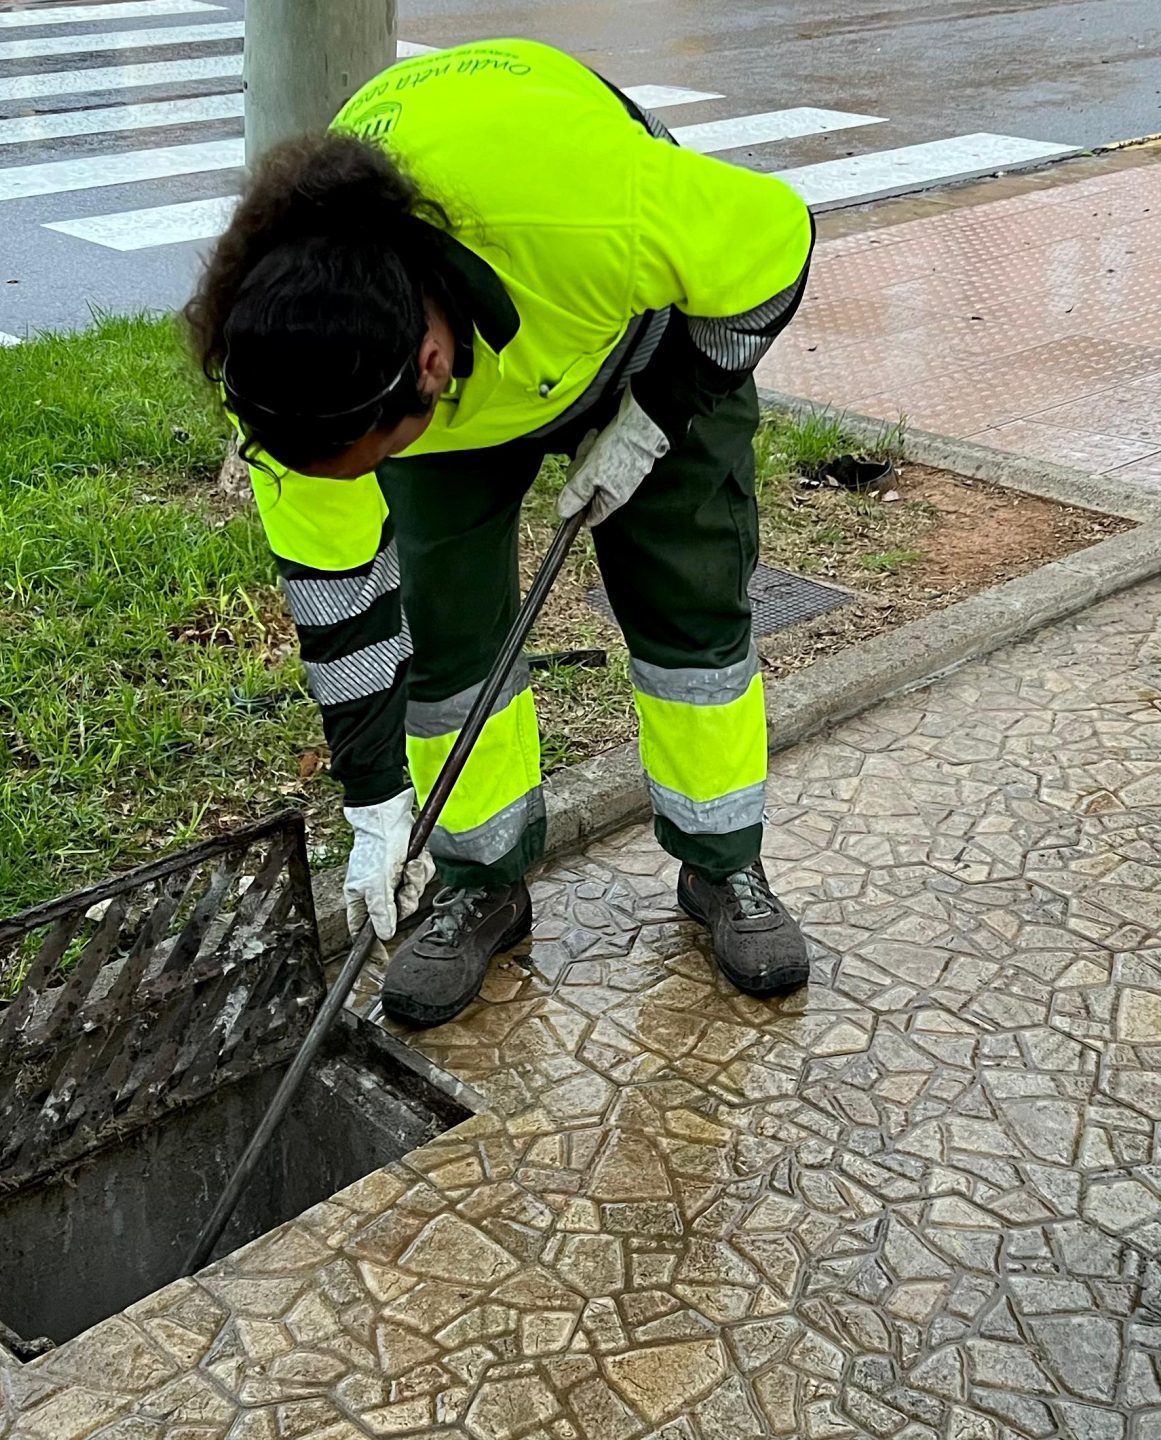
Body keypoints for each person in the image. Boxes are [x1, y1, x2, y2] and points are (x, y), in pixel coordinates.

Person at [185, 37, 816, 1028]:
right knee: (447, 637)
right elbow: (343, 607)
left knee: (687, 604)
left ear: (430, 362)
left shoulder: (594, 207)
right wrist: (374, 806)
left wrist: (657, 413)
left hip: (637, 332)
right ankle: (479, 881)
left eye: (372, 460)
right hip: (455, 396)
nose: (356, 488)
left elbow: (774, 243)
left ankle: (722, 868)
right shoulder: (301, 377)